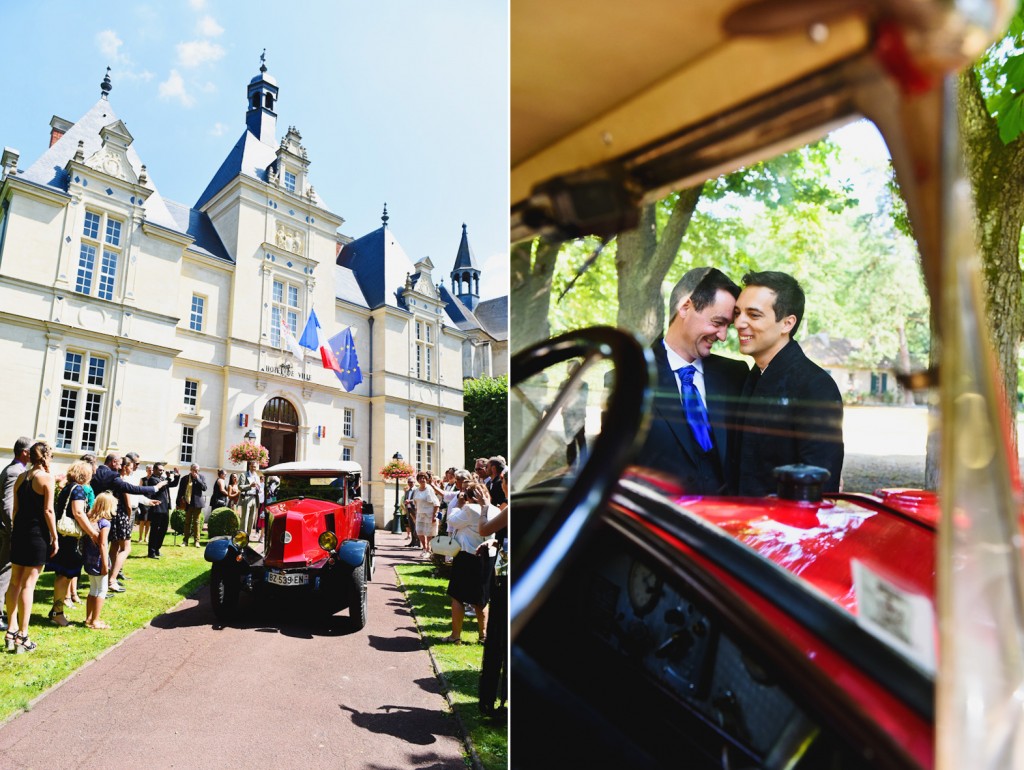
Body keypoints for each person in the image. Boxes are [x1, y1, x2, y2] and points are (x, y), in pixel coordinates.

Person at [636, 266, 749, 494]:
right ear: (685, 307)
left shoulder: (735, 375)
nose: (723, 336)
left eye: (727, 326)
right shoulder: (634, 376)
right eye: (718, 323)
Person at [731, 270, 845, 495]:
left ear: (786, 323)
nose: (739, 323)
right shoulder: (750, 378)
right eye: (737, 313)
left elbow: (820, 485)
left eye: (753, 315)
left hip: (783, 526)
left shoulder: (816, 387)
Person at [4, 442, 57, 653]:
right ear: (45, 456)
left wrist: (16, 532)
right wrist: (54, 537)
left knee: (15, 581)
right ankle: (23, 636)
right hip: (37, 536)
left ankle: (11, 630)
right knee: (28, 585)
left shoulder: (21, 477)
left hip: (20, 534)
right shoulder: (46, 478)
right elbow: (49, 511)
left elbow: (15, 509)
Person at [91, 452, 165, 591]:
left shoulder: (97, 472)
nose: (119, 467)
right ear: (114, 463)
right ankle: (111, 580)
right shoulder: (114, 476)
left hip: (104, 514)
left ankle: (108, 577)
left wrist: (147, 501)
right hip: (119, 515)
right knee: (125, 548)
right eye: (119, 464)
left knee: (112, 546)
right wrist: (155, 488)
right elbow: (130, 491)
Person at [441, 481, 498, 644]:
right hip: (487, 556)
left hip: (467, 555)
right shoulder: (494, 509)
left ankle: (455, 636)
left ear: (468, 496)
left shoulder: (469, 508)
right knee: (482, 598)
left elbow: (452, 521)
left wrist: (458, 504)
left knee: (457, 596)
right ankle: (483, 635)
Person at [44, 460, 97, 627]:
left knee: (63, 575)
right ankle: (57, 613)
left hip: (63, 537)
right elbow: (78, 512)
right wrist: (92, 532)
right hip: (71, 539)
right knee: (65, 575)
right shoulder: (79, 490)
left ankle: (56, 611)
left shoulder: (67, 487)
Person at [0, 436, 31, 633]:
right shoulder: (15, 472)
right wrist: (13, 532)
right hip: (7, 530)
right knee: (5, 571)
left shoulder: (12, 469)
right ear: (24, 452)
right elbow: (7, 504)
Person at [82, 491, 115, 629]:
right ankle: (95, 620)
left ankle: (88, 618)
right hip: (99, 560)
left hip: (89, 559)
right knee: (102, 590)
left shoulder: (90, 520)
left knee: (93, 589)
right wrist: (105, 564)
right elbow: (103, 543)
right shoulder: (104, 523)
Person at [144, 463, 180, 559]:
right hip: (157, 508)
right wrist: (167, 478)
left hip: (165, 508)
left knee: (163, 529)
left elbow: (173, 484)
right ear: (155, 470)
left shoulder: (163, 479)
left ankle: (157, 549)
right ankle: (151, 552)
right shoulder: (152, 479)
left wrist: (176, 476)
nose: (162, 472)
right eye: (160, 470)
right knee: (155, 530)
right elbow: (160, 487)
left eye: (163, 470)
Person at [561, 360, 589, 468]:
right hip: (568, 415)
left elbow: (583, 400)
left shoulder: (583, 384)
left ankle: (583, 462)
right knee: (570, 439)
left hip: (578, 415)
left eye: (571, 367)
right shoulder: (564, 383)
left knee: (580, 439)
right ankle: (571, 463)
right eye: (568, 367)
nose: (569, 370)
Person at [176, 464, 208, 548]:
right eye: (194, 470)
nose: (196, 472)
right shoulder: (185, 478)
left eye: (197, 470)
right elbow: (180, 491)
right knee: (187, 522)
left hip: (197, 503)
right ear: (191, 470)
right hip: (188, 503)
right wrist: (177, 503)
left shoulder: (201, 477)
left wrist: (197, 479)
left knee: (196, 522)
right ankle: (185, 541)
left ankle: (196, 541)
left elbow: (204, 488)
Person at [411, 472, 440, 553]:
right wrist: (416, 515)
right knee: (419, 532)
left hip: (429, 514)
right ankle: (424, 547)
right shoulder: (416, 490)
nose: (422, 480)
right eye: (420, 478)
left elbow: (436, 503)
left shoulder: (429, 489)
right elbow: (416, 504)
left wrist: (434, 515)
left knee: (428, 533)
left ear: (427, 480)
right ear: (418, 480)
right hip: (420, 514)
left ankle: (428, 550)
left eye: (424, 478)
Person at [238, 461, 263, 536]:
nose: (253, 468)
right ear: (249, 466)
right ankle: (242, 537)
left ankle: (247, 537)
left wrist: (259, 488)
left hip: (254, 498)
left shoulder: (257, 476)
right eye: (252, 466)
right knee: (245, 519)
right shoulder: (244, 475)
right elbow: (240, 486)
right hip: (246, 497)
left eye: (255, 467)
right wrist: (250, 486)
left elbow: (258, 487)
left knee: (251, 520)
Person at [403, 477, 418, 548]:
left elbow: (417, 499)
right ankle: (413, 541)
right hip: (409, 510)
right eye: (409, 482)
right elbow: (405, 499)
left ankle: (418, 542)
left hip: (415, 510)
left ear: (414, 483)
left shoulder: (417, 490)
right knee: (411, 526)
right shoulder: (407, 491)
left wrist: (410, 501)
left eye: (412, 482)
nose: (410, 483)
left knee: (416, 526)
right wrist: (405, 502)